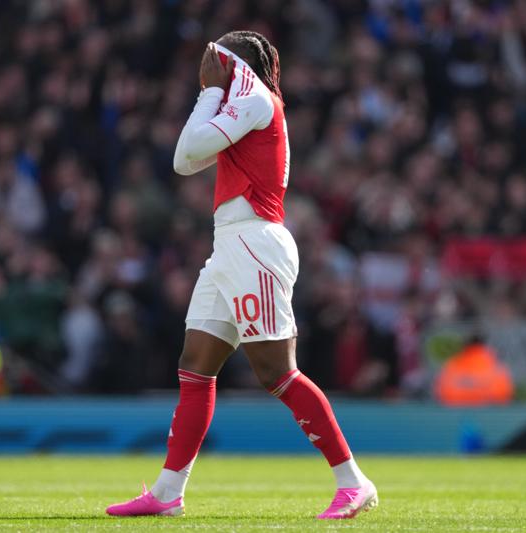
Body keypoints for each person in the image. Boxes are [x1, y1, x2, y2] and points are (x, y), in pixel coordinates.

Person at [106, 31, 377, 520]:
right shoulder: (244, 105)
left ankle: (353, 481)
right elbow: (184, 160)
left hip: (254, 242)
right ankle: (168, 492)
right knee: (195, 365)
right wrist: (212, 94)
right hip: (230, 245)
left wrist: (211, 90)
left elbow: (188, 149)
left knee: (277, 372)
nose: (206, 68)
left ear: (232, 64)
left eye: (214, 61)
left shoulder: (253, 98)